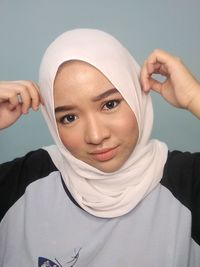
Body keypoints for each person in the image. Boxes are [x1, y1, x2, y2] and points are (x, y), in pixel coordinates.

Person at [0, 29, 199, 267]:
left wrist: (194, 97)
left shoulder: (188, 181)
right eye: (69, 118)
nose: (95, 136)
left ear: (136, 94)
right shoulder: (24, 181)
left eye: (110, 104)